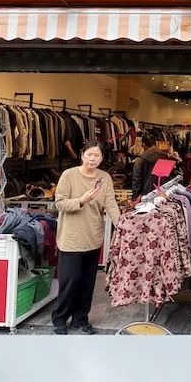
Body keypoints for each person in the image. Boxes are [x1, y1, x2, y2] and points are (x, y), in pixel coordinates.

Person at [53, 143, 120, 334]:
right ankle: (60, 318)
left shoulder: (104, 178)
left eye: (96, 155)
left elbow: (110, 204)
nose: (92, 158)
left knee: (86, 284)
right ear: (82, 155)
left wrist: (121, 225)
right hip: (71, 239)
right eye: (89, 154)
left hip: (93, 237)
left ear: (102, 158)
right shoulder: (69, 175)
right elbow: (60, 203)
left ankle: (80, 320)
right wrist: (81, 200)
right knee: (70, 281)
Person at [131, 131, 179, 199]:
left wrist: (135, 197)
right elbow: (170, 177)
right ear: (155, 143)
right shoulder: (165, 157)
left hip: (145, 195)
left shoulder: (141, 159)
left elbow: (136, 179)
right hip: (162, 193)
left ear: (143, 145)